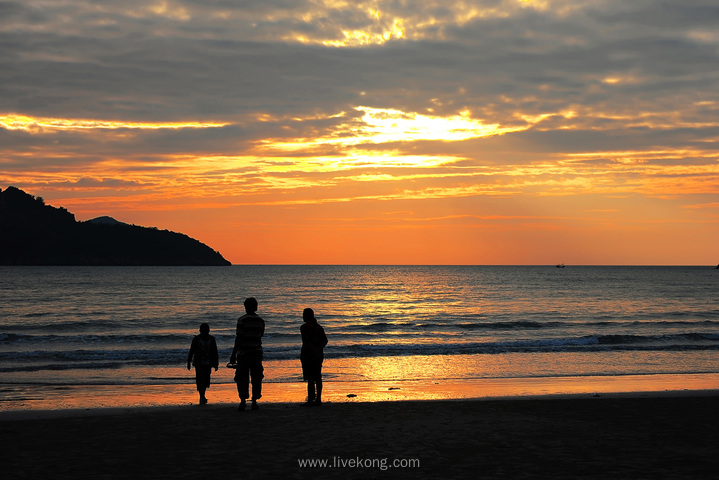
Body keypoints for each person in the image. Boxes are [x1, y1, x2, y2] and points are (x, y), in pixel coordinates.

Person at [230, 297, 265, 411]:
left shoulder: (242, 320)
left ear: (246, 307)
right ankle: (254, 401)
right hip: (256, 353)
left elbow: (239, 338)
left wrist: (233, 354)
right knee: (256, 377)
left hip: (244, 353)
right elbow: (260, 336)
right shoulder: (260, 321)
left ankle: (243, 401)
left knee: (242, 377)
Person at [300, 307, 328, 407]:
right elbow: (325, 341)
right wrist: (318, 349)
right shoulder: (319, 327)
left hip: (308, 355)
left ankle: (311, 400)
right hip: (318, 355)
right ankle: (318, 399)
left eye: (303, 314)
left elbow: (306, 342)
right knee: (317, 377)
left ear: (307, 316)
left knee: (311, 378)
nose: (302, 316)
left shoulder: (304, 328)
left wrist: (314, 350)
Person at [187, 322, 219, 405]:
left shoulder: (212, 339)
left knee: (206, 380)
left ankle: (202, 395)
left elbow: (215, 351)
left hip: (208, 363)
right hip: (199, 363)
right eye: (203, 330)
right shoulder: (196, 339)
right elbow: (192, 351)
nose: (205, 331)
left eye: (206, 330)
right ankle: (202, 396)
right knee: (200, 379)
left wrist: (216, 363)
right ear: (200, 330)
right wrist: (189, 361)